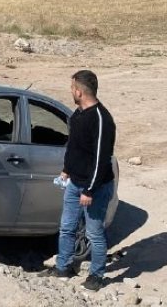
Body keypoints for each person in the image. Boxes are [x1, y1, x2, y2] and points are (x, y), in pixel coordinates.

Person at [39, 70, 117, 291]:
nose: (70, 91)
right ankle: (63, 267)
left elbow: (102, 160)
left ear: (80, 91)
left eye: (72, 88)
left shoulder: (102, 120)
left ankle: (97, 275)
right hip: (75, 183)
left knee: (94, 233)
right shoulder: (78, 114)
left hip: (95, 188)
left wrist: (89, 190)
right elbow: (74, 148)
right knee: (66, 227)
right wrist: (66, 170)